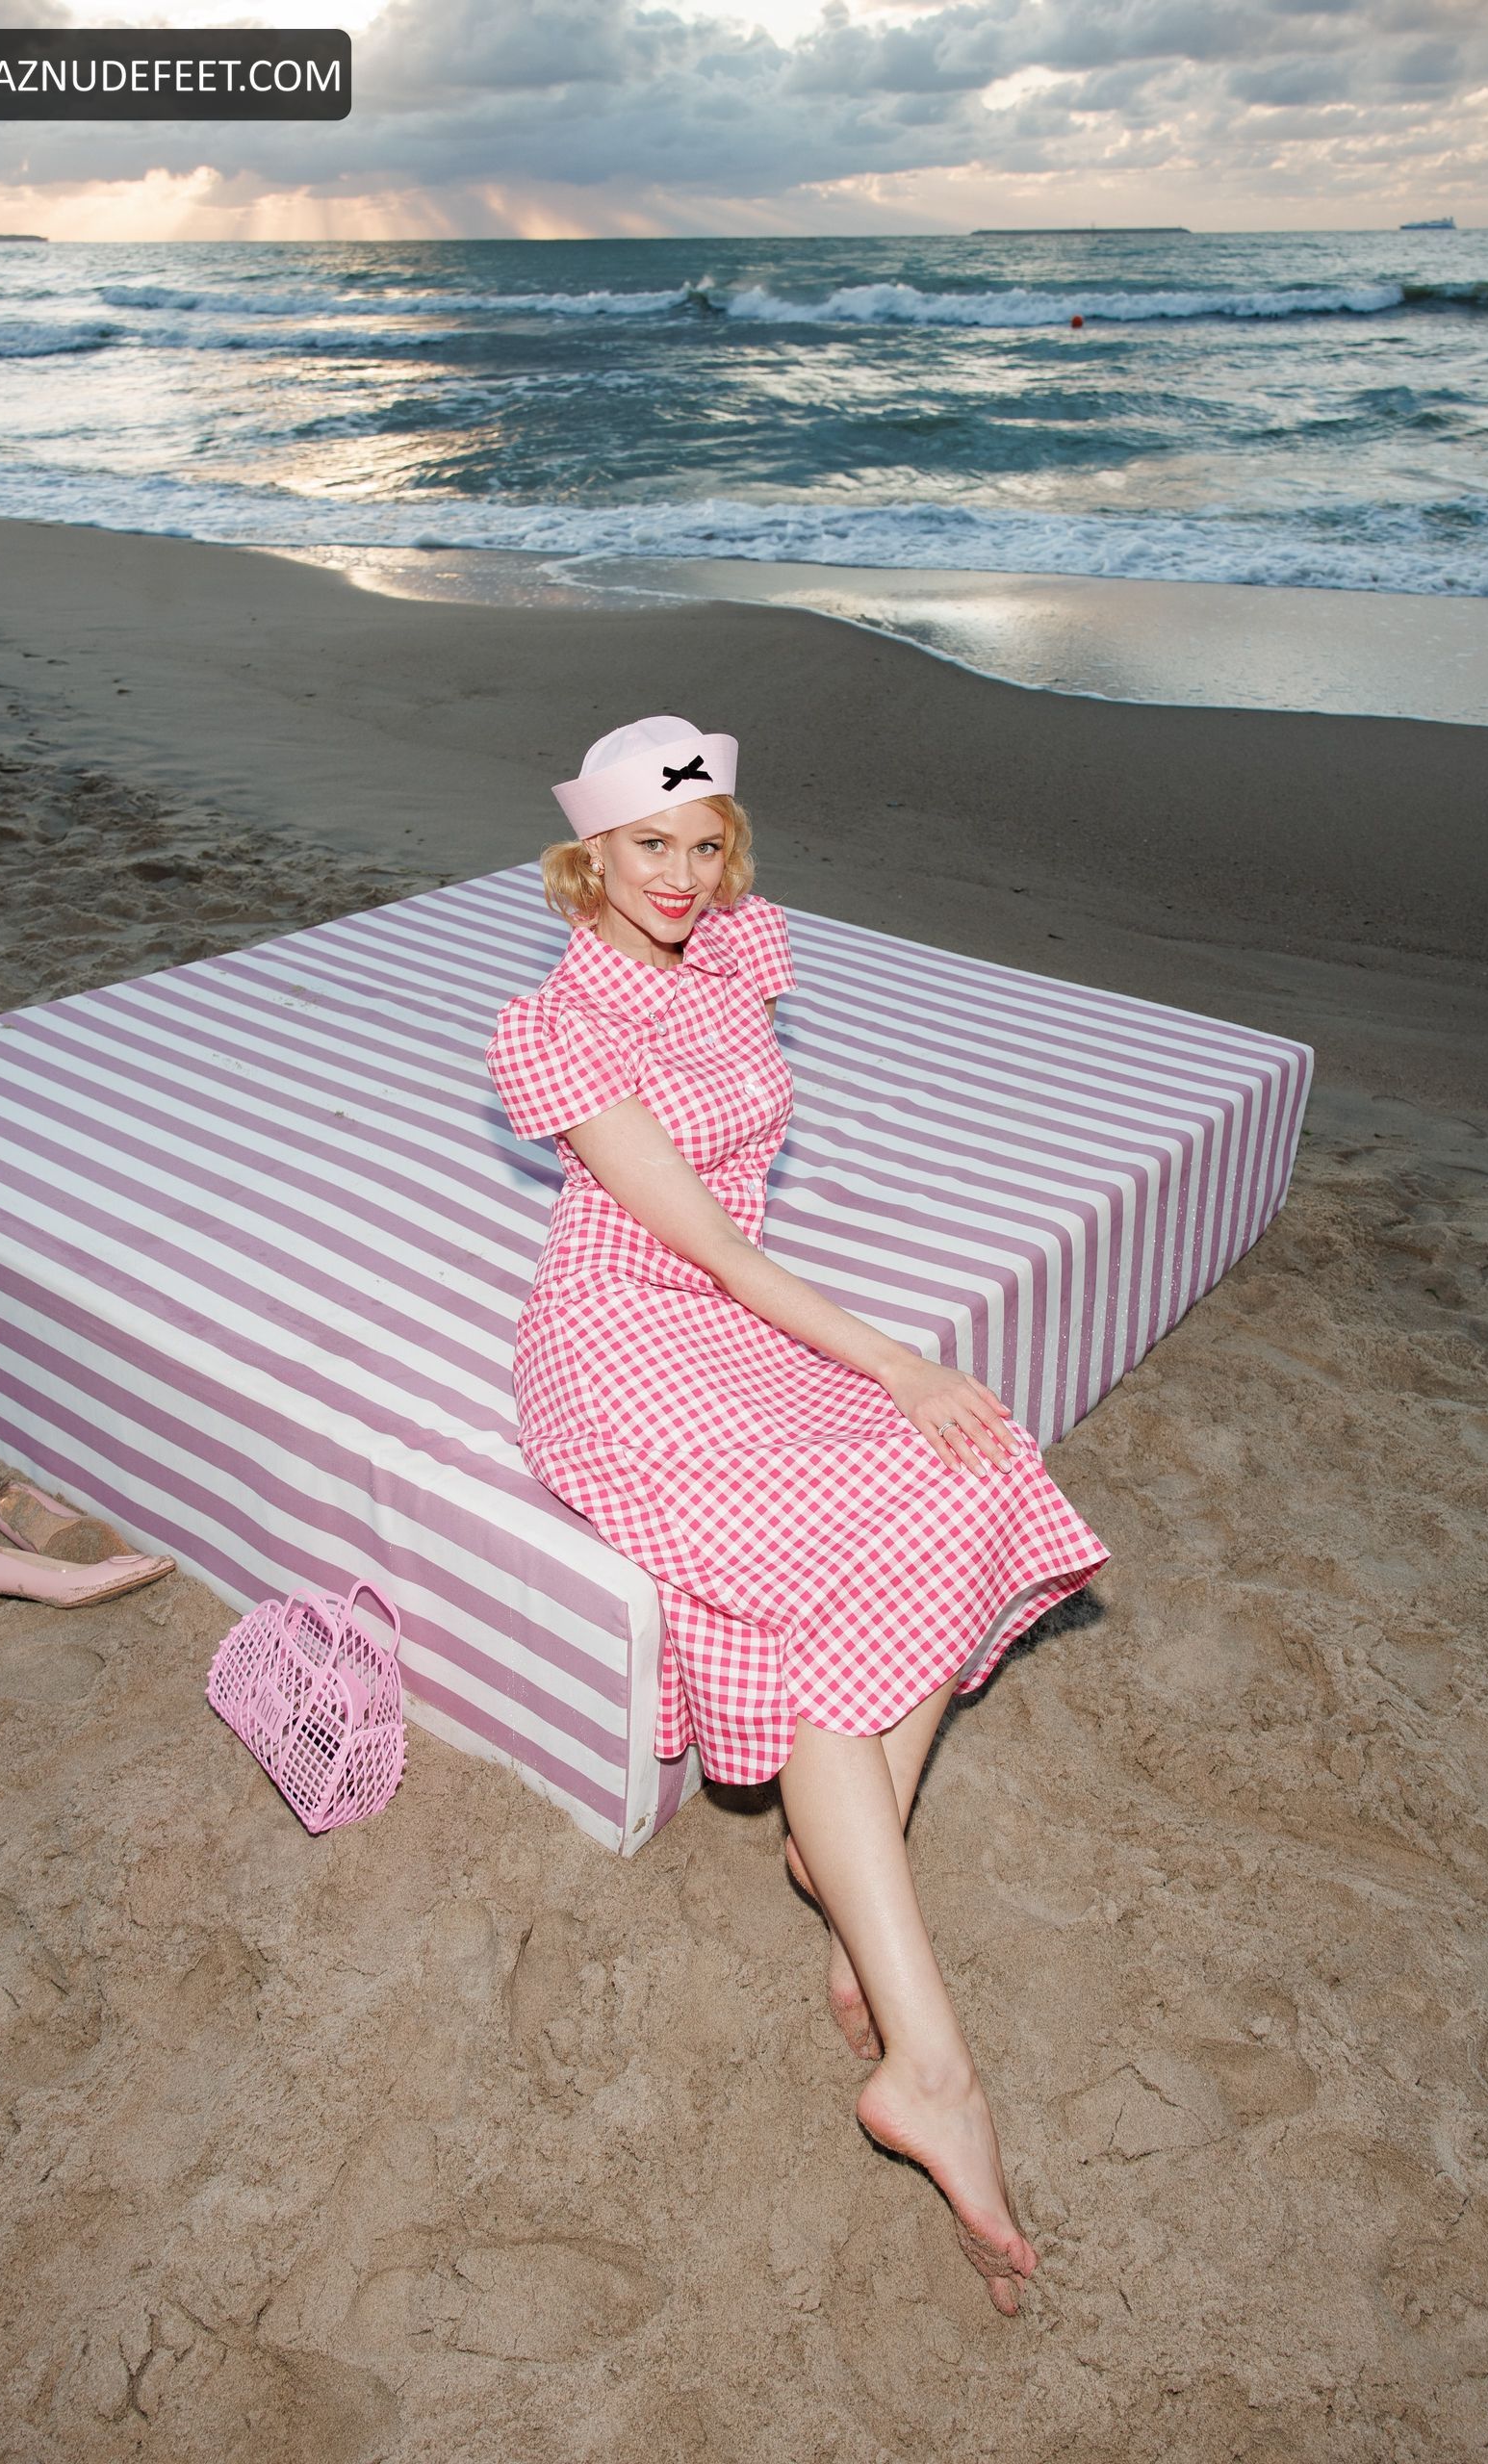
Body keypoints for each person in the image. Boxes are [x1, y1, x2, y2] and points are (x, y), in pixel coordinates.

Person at [487, 714, 1109, 2314]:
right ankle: (931, 2066)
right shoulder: (564, 1021)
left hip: (739, 1331)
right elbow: (709, 1248)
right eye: (651, 847)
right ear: (590, 854)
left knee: (972, 1471)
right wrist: (897, 1360)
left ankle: (846, 1871)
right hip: (623, 1343)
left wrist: (909, 1386)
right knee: (854, 1544)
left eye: (706, 846)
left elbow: (751, 1213)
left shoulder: (736, 949)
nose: (684, 876)